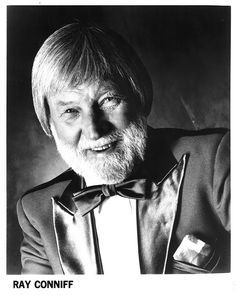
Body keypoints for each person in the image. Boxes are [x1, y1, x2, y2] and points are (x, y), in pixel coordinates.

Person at [17, 22, 230, 274]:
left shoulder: (215, 161)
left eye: (109, 100)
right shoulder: (37, 211)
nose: (94, 130)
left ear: (140, 96)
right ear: (49, 124)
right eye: (71, 111)